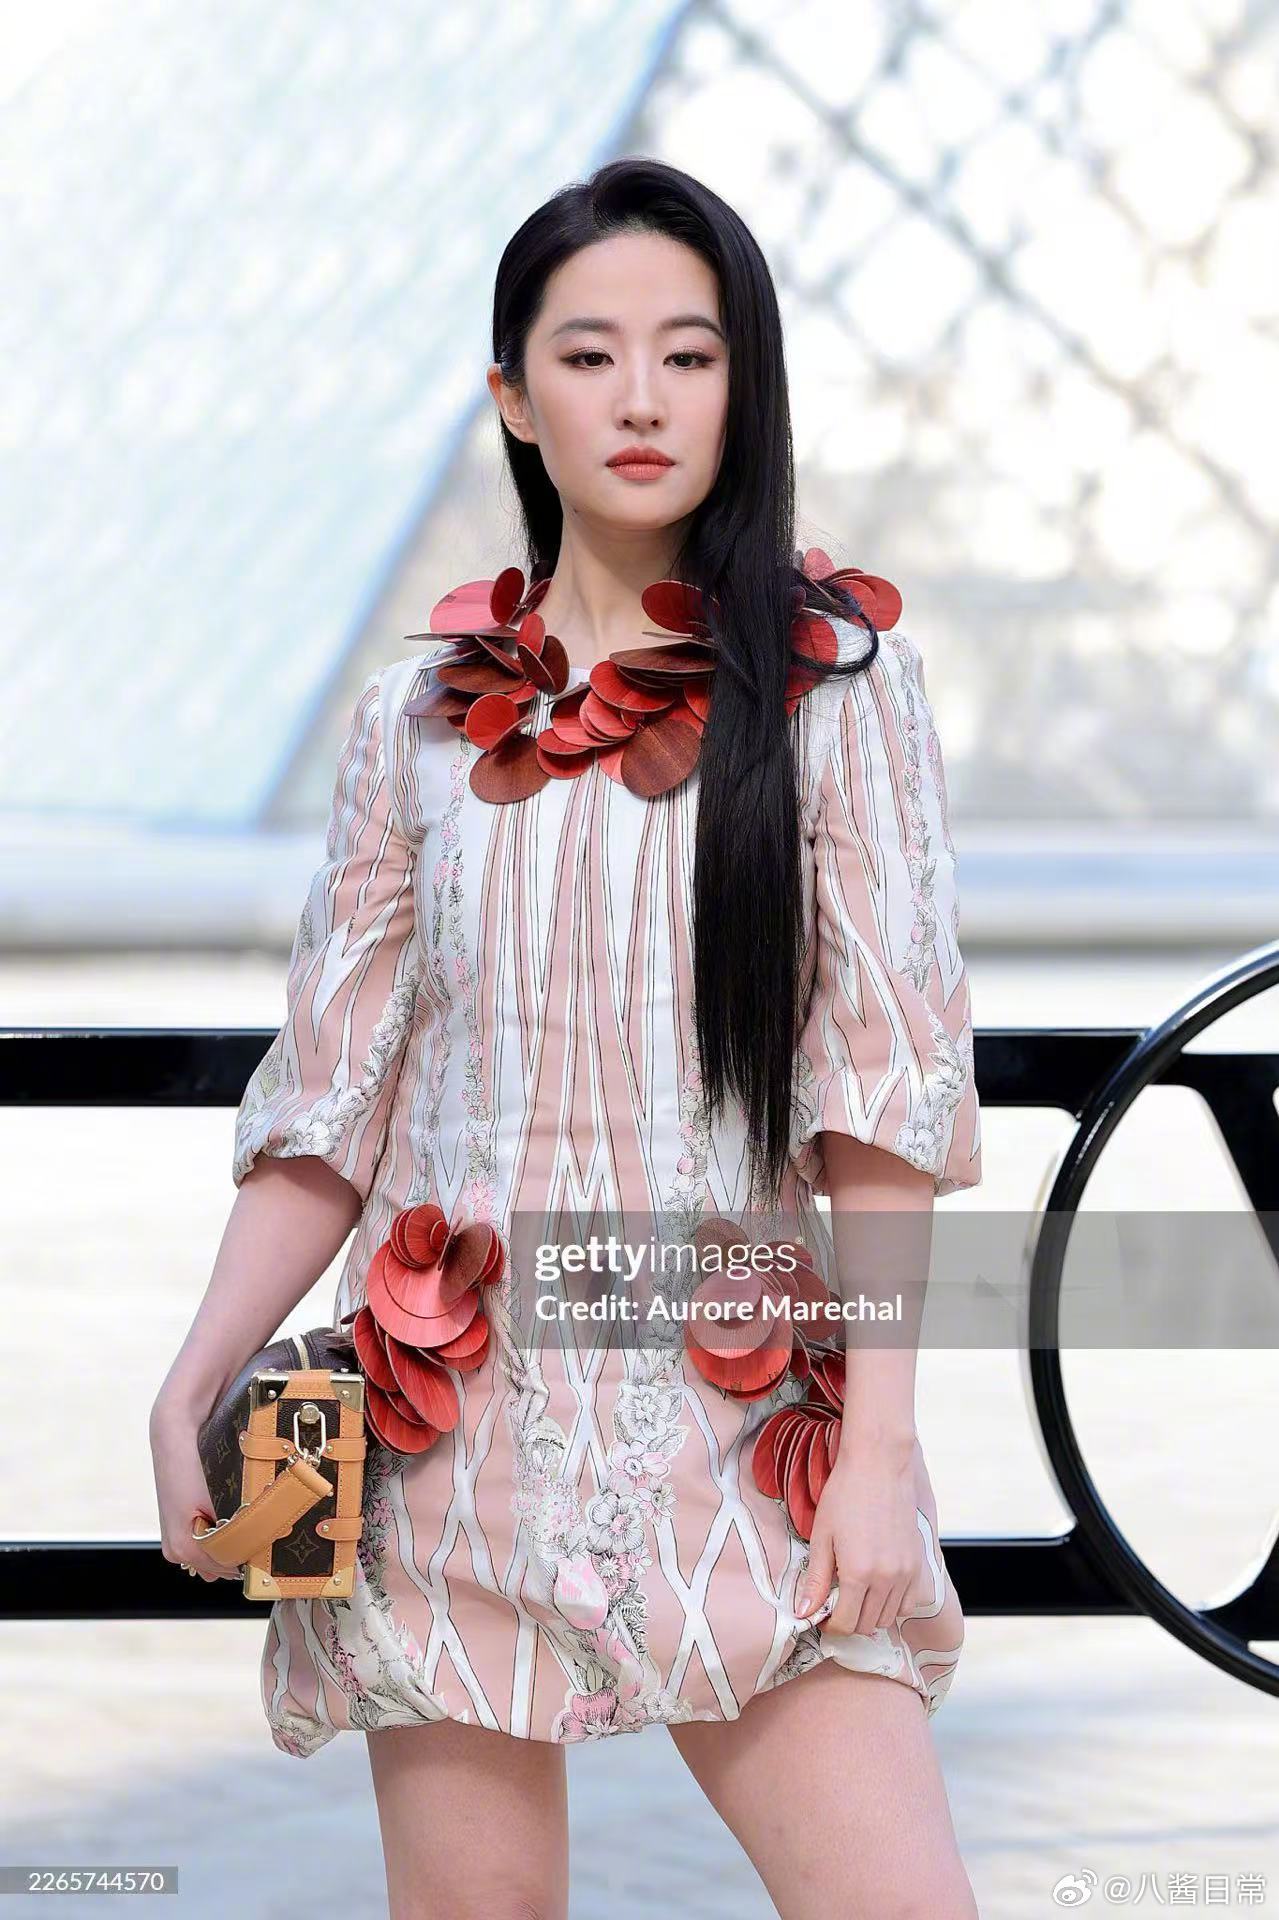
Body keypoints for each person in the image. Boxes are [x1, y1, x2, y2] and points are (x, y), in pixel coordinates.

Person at [150, 156, 982, 1920]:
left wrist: (882, 1455)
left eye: (691, 354)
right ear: (516, 399)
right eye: (591, 356)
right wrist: (194, 1373)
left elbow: (884, 1102)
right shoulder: (414, 726)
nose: (643, 399)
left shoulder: (842, 694)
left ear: (743, 385)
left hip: (744, 1432)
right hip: (437, 1435)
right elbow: (330, 1105)